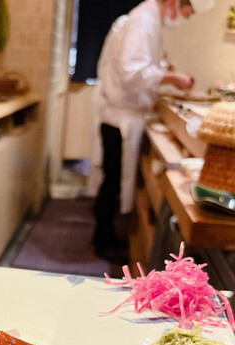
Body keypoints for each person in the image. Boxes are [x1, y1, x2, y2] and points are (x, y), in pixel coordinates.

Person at [89, 0, 214, 264]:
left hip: (123, 117)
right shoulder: (142, 20)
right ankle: (102, 240)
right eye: (187, 12)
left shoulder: (150, 20)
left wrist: (165, 71)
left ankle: (107, 236)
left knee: (114, 180)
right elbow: (132, 74)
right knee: (111, 181)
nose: (185, 18)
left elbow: (142, 66)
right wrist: (172, 78)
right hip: (119, 119)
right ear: (174, 3)